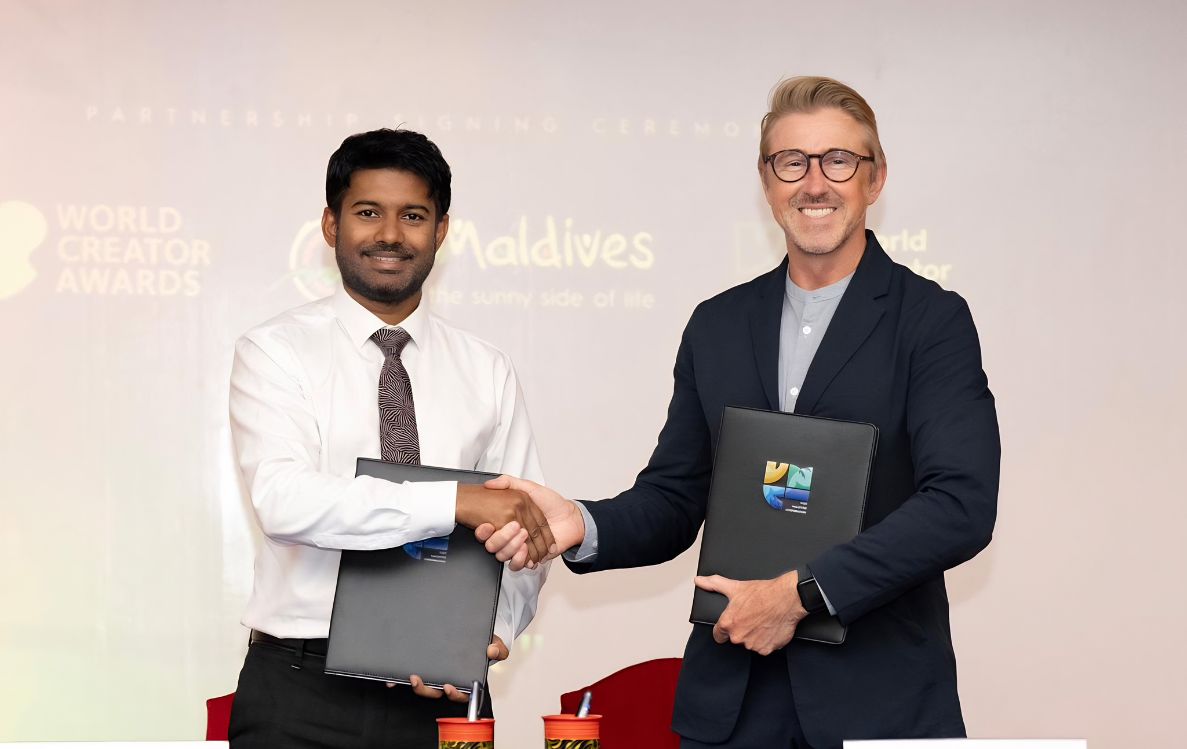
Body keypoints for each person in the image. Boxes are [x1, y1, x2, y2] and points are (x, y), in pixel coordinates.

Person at [491, 76, 1000, 748]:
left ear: (874, 178)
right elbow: (676, 497)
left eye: (838, 160)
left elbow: (960, 505)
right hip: (732, 714)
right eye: (791, 162)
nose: (813, 183)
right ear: (766, 181)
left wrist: (800, 593)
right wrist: (580, 523)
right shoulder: (717, 325)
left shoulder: (931, 321)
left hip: (880, 707)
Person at [227, 128, 553, 748]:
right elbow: (284, 500)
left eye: (413, 216)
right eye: (368, 212)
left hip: (443, 690)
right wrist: (454, 502)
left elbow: (526, 530)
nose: (391, 235)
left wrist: (491, 631)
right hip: (301, 689)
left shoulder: (486, 369)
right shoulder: (274, 352)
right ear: (331, 225)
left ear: (441, 231)